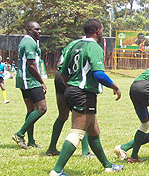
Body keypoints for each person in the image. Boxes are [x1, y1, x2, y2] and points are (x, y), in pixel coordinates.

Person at [49, 19, 123, 176]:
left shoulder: (74, 45)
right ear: (97, 31)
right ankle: (56, 171)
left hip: (72, 91)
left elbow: (63, 72)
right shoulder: (94, 47)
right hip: (83, 94)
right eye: (102, 30)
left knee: (93, 131)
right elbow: (98, 74)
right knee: (77, 132)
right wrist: (115, 87)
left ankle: (108, 165)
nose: (102, 33)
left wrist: (71, 86)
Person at [46, 38, 93, 158]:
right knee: (83, 114)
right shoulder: (86, 45)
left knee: (62, 115)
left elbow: (60, 64)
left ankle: (52, 148)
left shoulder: (71, 44)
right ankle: (85, 151)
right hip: (70, 77)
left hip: (59, 75)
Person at [12, 21, 47, 149]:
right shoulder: (29, 42)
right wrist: (41, 81)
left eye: (40, 29)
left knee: (31, 110)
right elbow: (31, 65)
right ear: (28, 29)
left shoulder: (29, 41)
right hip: (30, 80)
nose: (39, 32)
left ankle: (31, 141)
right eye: (36, 29)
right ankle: (20, 134)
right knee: (42, 108)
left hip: (24, 79)